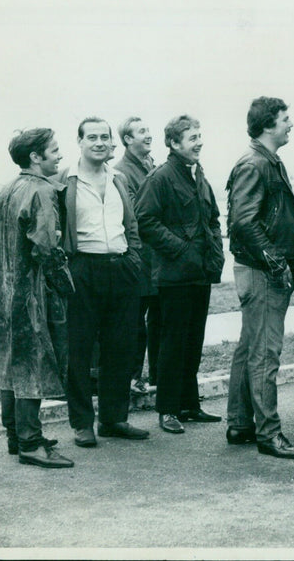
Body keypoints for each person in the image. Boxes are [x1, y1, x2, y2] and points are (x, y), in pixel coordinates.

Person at [58, 116, 150, 448]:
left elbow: (132, 222)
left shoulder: (118, 179)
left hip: (121, 268)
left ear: (112, 142)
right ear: (80, 142)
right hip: (83, 268)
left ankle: (113, 418)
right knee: (80, 349)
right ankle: (83, 423)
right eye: (92, 137)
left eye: (104, 137)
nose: (99, 142)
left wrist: (133, 257)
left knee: (120, 346)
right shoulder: (64, 182)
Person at [225, 96, 294, 459]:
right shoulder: (256, 163)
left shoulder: (265, 160)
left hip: (262, 267)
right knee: (264, 353)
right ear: (268, 124)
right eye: (286, 119)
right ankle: (269, 434)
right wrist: (275, 261)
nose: (291, 124)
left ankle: (241, 422)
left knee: (249, 348)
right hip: (261, 271)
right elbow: (243, 221)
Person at [0, 128, 75, 468]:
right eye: (54, 150)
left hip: (5, 294)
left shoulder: (7, 189)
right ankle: (30, 442)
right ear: (35, 157)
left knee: (12, 361)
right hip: (32, 292)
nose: (59, 156)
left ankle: (16, 436)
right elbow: (47, 248)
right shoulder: (41, 190)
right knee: (31, 364)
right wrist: (65, 285)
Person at [135, 115, 224, 434]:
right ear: (173, 144)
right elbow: (144, 220)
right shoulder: (160, 177)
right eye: (192, 138)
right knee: (172, 343)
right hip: (174, 275)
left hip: (199, 273)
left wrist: (213, 245)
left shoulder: (197, 174)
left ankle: (189, 405)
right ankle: (168, 410)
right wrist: (180, 249)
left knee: (193, 340)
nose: (199, 142)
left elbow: (212, 216)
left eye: (200, 135)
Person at [114, 116, 161, 394]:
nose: (148, 135)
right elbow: (135, 214)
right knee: (135, 322)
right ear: (128, 139)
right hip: (139, 259)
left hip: (157, 260)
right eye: (142, 131)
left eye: (148, 129)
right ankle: (131, 378)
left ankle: (157, 377)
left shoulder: (152, 166)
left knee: (160, 321)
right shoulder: (122, 172)